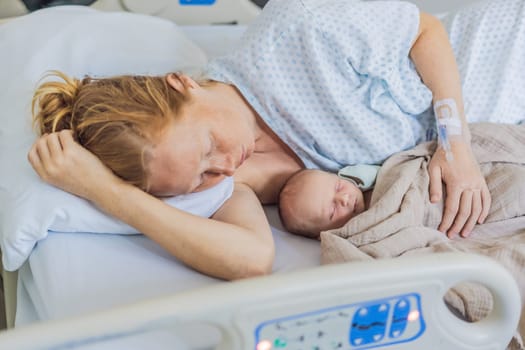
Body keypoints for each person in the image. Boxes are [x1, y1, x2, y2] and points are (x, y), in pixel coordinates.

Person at [28, 0, 525, 280]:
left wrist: (454, 144)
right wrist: (110, 195)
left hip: (500, 58)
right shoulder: (235, 178)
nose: (224, 166)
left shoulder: (299, 27)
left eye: (207, 148)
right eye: (202, 175)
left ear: (183, 82)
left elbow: (427, 32)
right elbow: (250, 259)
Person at [279, 168, 375, 239]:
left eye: (339, 187)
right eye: (333, 211)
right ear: (322, 234)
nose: (344, 198)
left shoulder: (364, 174)